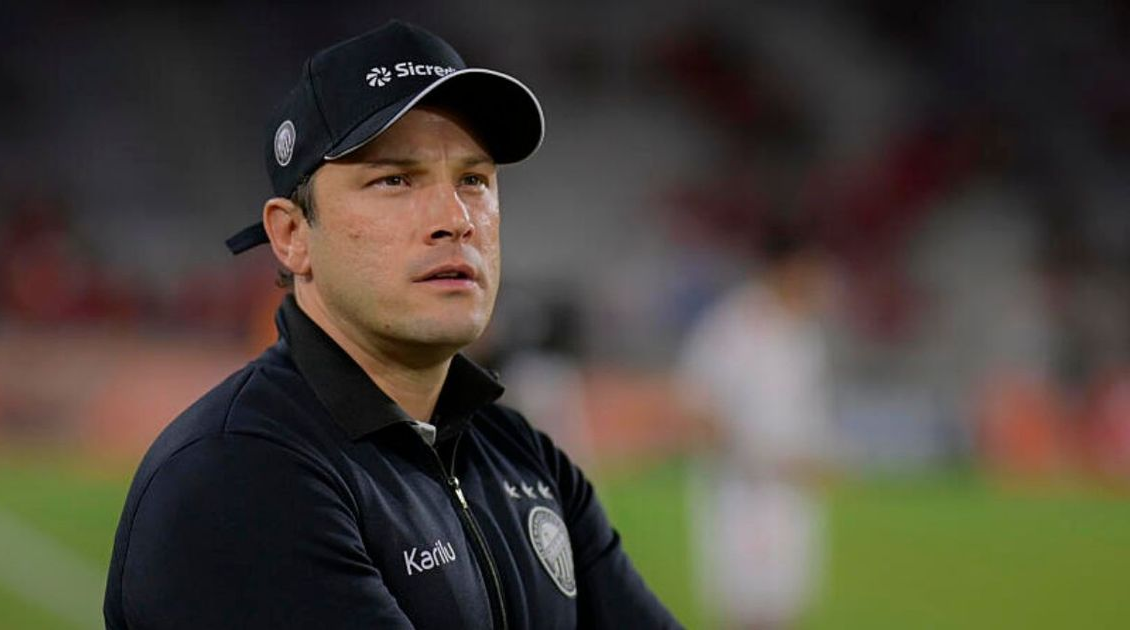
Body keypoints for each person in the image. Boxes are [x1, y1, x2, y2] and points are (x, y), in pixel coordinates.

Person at [103, 20, 679, 630]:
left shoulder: (523, 457)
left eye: (473, 180)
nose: (455, 218)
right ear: (292, 235)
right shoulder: (237, 475)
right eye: (394, 179)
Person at [677, 222, 836, 630]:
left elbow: (804, 415)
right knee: (746, 611)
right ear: (786, 267)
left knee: (784, 609)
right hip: (741, 494)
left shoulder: (805, 335)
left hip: (792, 494)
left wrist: (816, 458)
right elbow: (698, 407)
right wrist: (757, 456)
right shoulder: (734, 327)